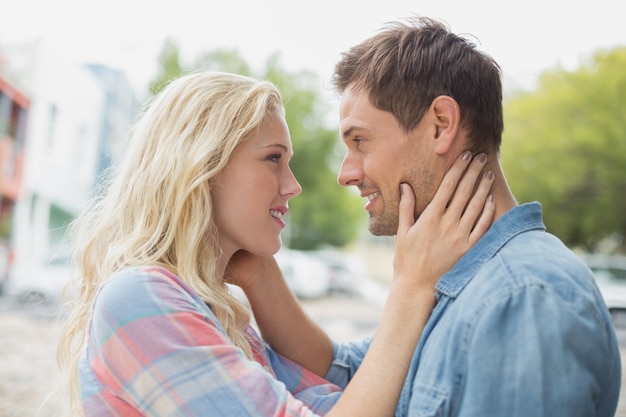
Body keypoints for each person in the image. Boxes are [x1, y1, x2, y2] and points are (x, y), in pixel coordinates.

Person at [231, 16, 621, 417]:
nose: (346, 173)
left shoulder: (521, 297)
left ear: (441, 125)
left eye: (360, 141)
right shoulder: (449, 276)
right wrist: (256, 267)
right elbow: (345, 372)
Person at [54, 70, 496, 417]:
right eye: (273, 159)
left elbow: (347, 385)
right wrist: (411, 285)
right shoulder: (140, 298)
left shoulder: (211, 312)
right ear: (200, 168)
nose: (293, 186)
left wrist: (257, 270)